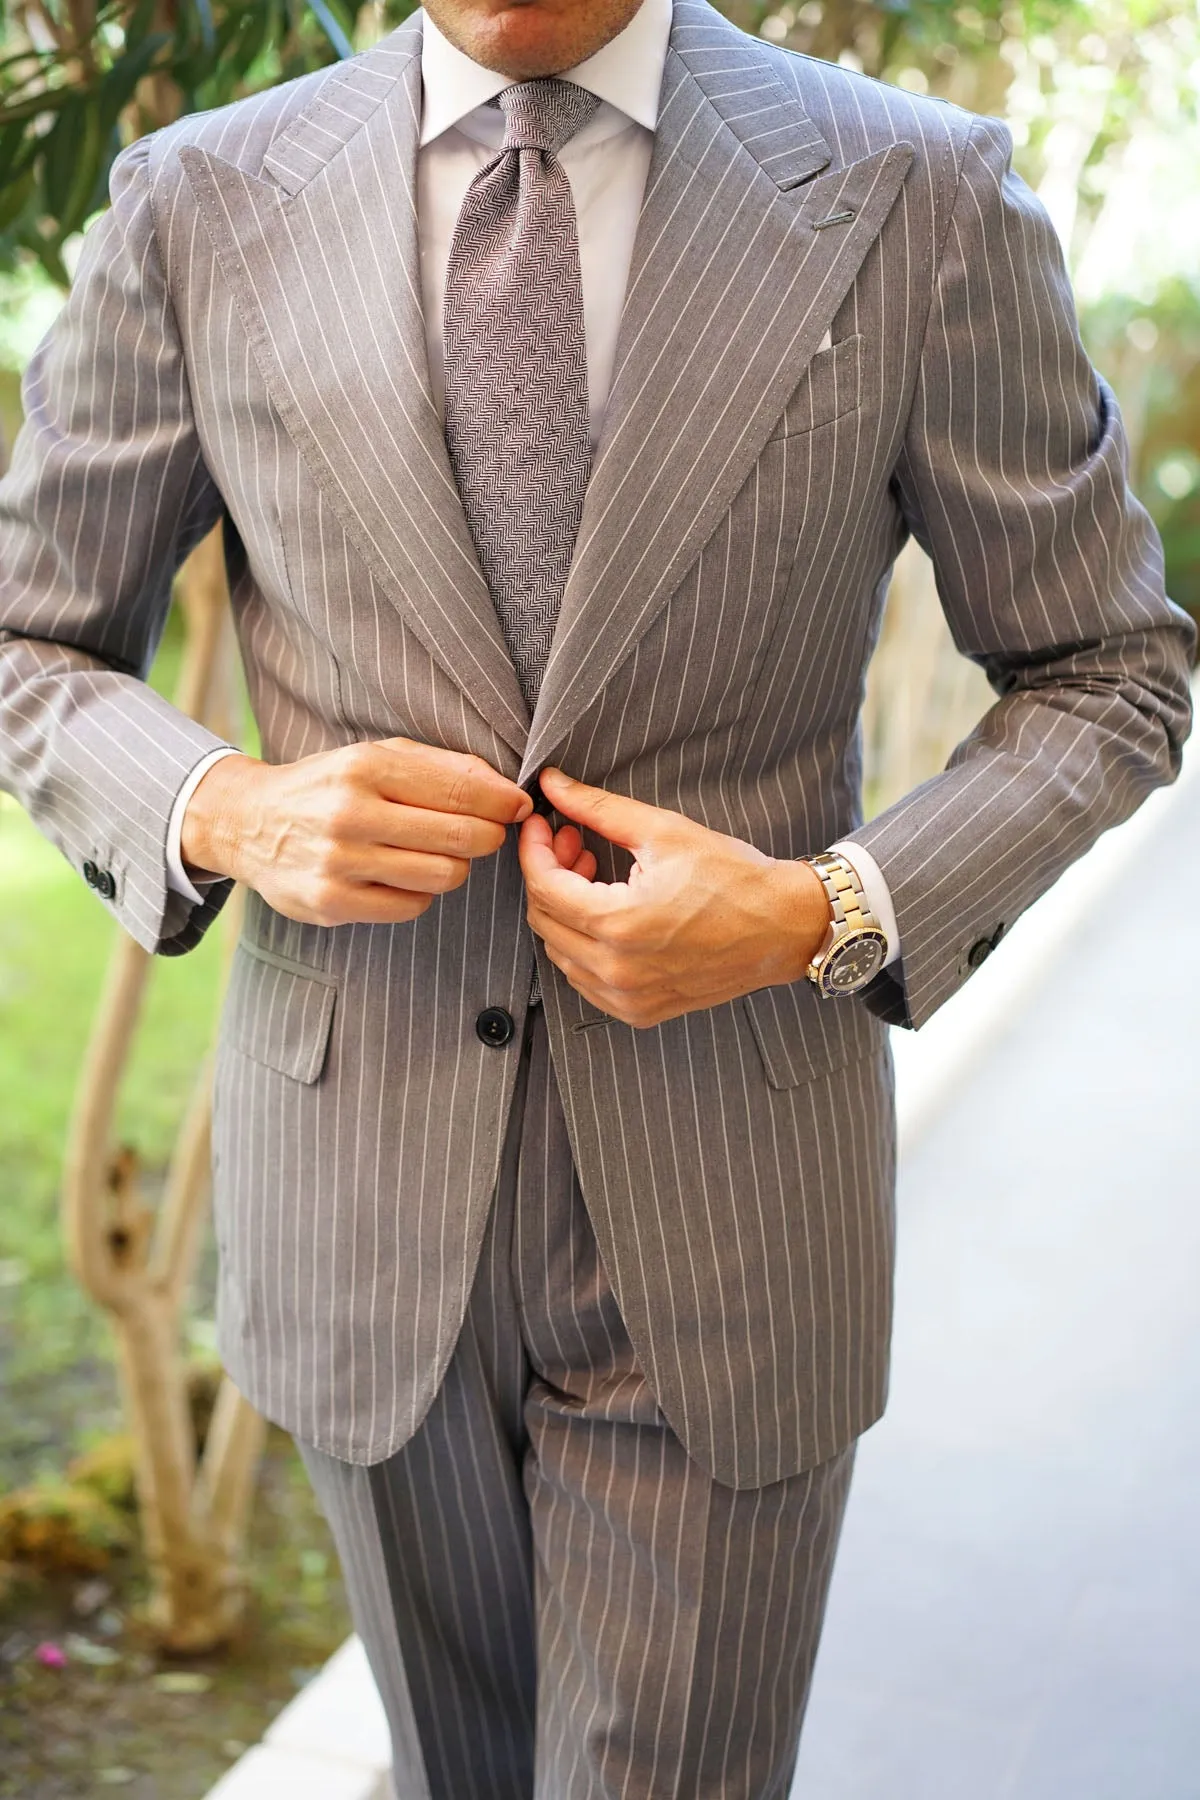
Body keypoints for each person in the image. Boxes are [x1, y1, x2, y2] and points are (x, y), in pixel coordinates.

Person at [0, 0, 1192, 1790]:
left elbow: (1110, 666)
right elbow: (32, 633)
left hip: (732, 1201)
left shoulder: (913, 190)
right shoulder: (200, 197)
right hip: (359, 1189)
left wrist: (824, 909)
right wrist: (225, 807)